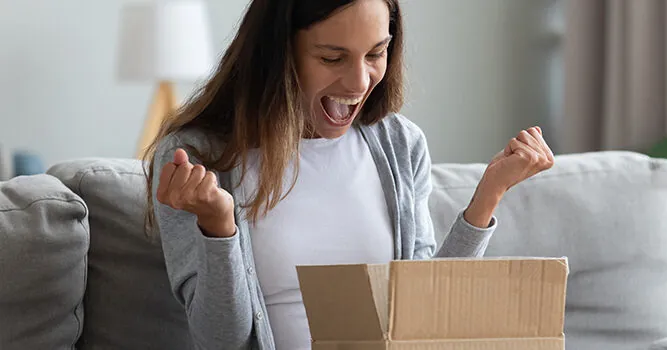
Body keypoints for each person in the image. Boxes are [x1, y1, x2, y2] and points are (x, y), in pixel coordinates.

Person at [143, 0, 554, 349]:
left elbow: (425, 313)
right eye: (332, 58)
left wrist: (489, 194)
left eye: (376, 54)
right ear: (278, 54)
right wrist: (219, 228)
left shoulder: (400, 144)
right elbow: (220, 340)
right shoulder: (198, 159)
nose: (360, 82)